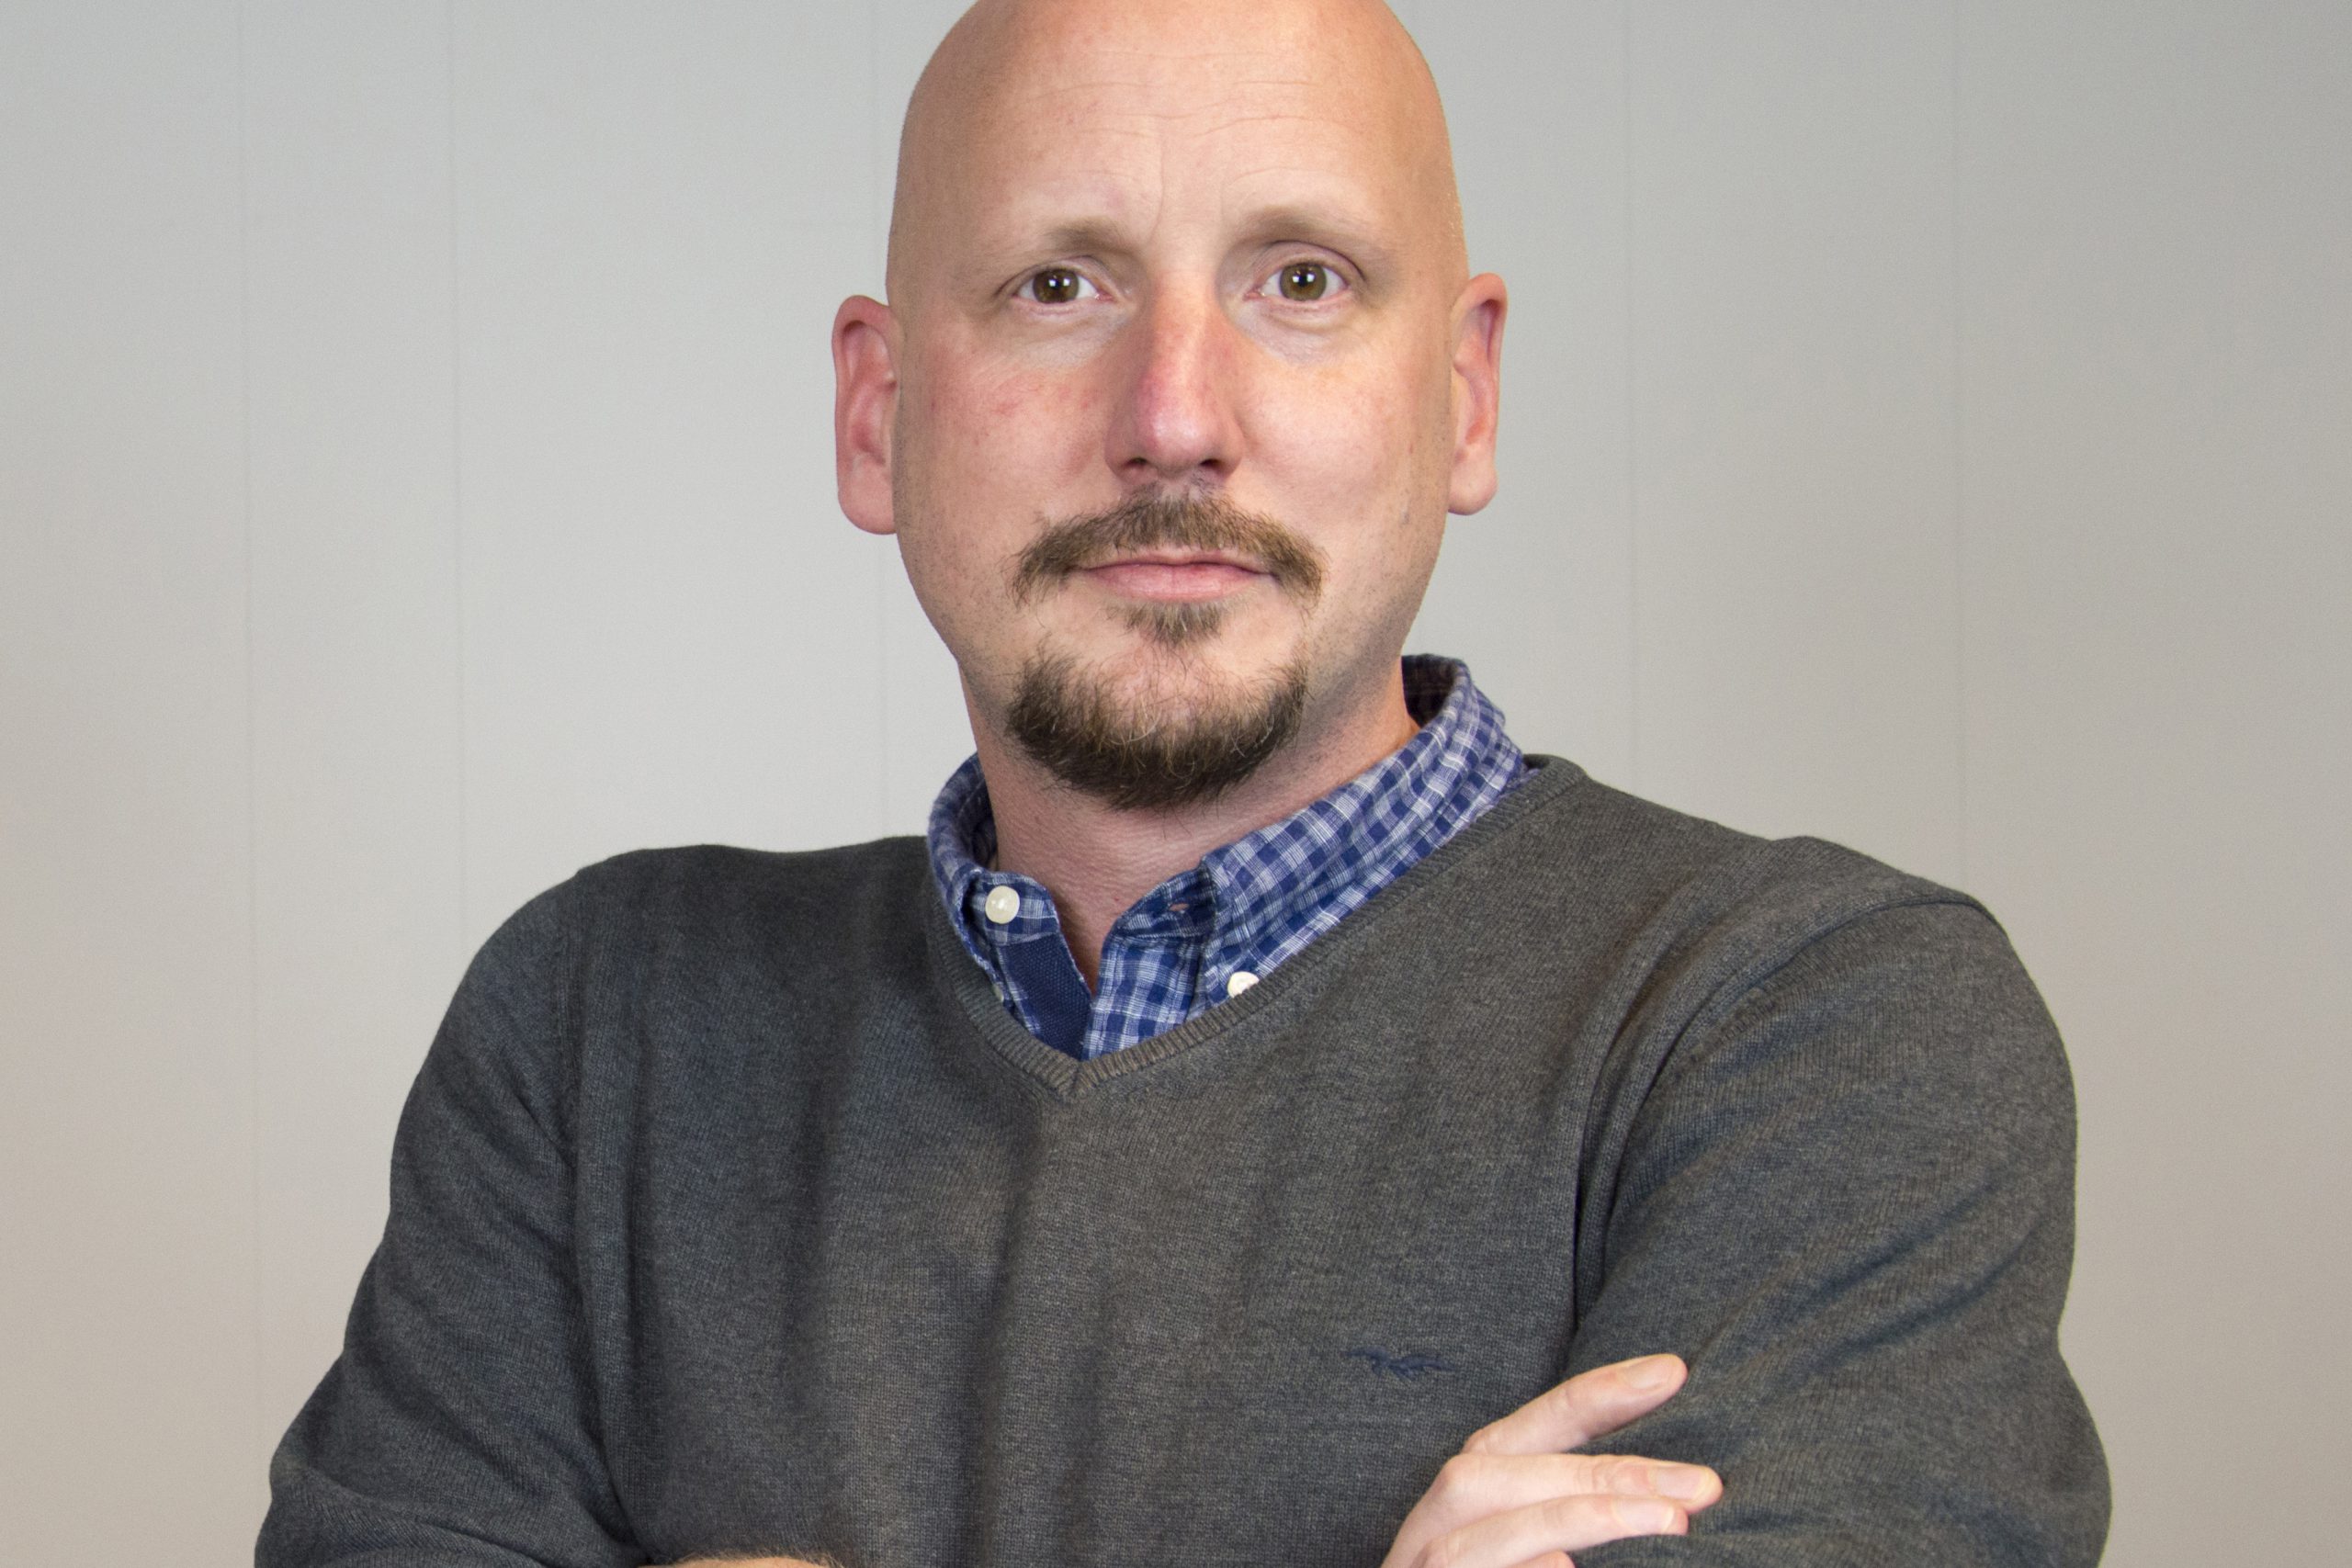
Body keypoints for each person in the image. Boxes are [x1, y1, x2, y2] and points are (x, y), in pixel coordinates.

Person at [259, 0, 2109, 1562]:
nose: (1172, 416)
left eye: (1300, 281)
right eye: (1057, 284)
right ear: (876, 413)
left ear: (1461, 396)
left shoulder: (1805, 1023)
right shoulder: (600, 1025)